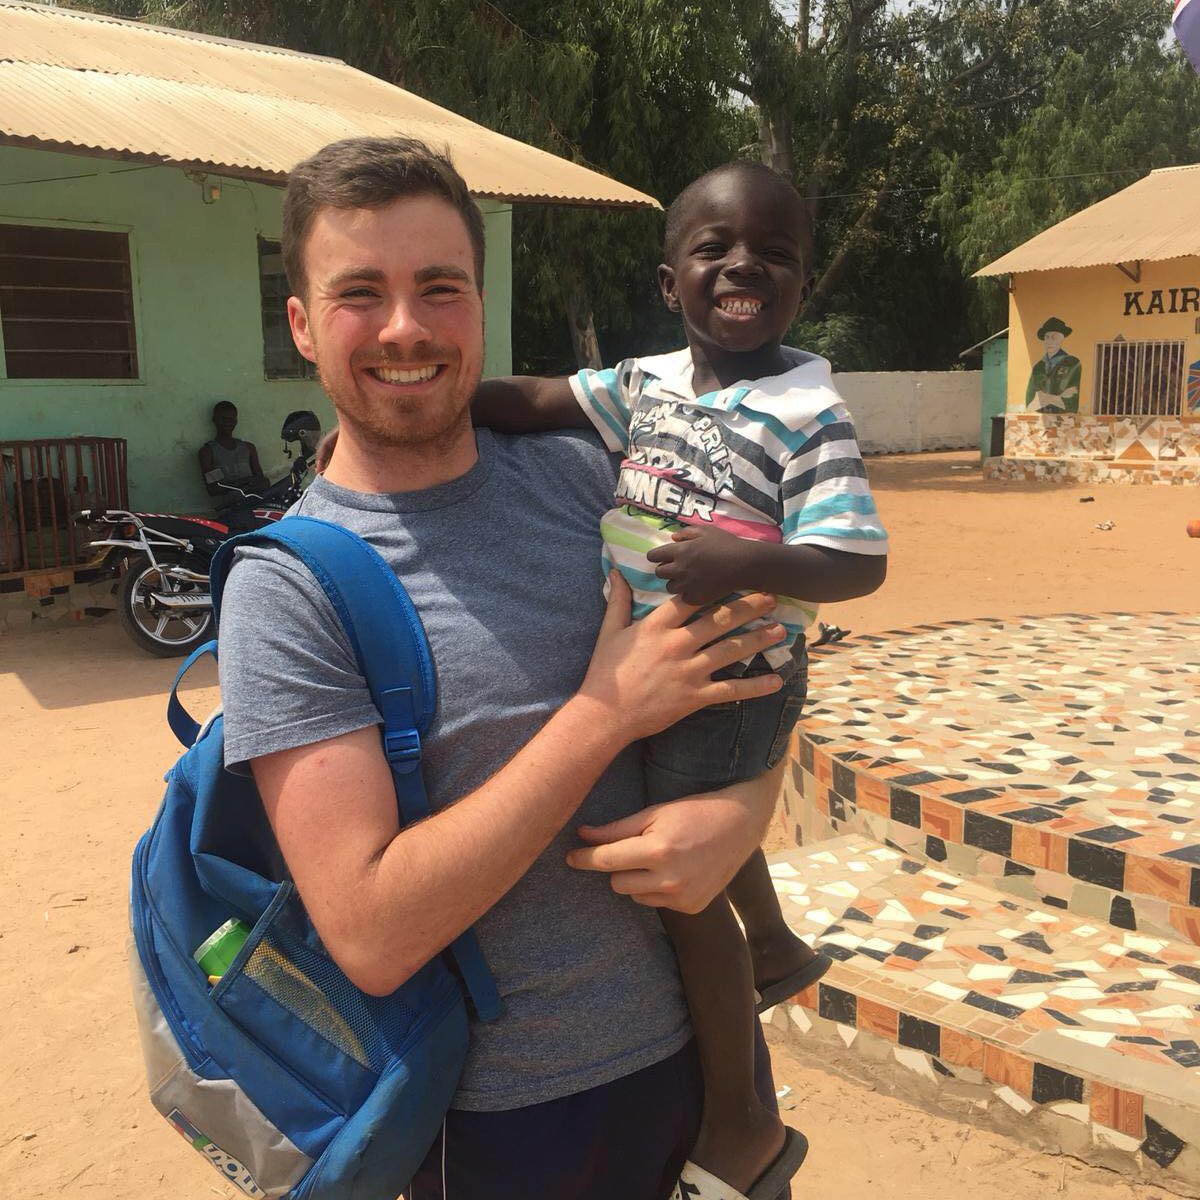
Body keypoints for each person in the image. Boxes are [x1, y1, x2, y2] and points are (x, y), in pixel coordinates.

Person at [216, 135, 795, 1200]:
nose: (406, 328)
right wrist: (604, 712)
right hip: (497, 1131)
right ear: (300, 323)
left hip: (704, 1075)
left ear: (480, 304)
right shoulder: (290, 589)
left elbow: (757, 658)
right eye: (360, 293)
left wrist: (744, 812)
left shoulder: (584, 475)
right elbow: (372, 931)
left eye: (441, 288)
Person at [470, 161, 888, 1199]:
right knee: (684, 818)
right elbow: (536, 399)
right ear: (671, 283)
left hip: (736, 672)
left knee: (682, 891)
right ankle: (782, 947)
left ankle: (745, 1122)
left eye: (775, 254)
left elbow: (859, 561)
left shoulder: (807, 413)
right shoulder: (644, 383)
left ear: (801, 286)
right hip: (667, 664)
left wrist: (744, 559)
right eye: (714, 248)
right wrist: (443, 401)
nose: (743, 265)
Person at [198, 400, 269, 509]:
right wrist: (246, 481)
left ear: (236, 421)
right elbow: (214, 488)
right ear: (215, 420)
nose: (228, 423)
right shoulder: (208, 452)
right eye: (224, 419)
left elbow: (261, 481)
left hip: (255, 503)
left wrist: (254, 482)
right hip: (231, 508)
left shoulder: (248, 448)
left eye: (231, 419)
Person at [1025, 317, 1081, 412]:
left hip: (1065, 420)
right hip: (1038, 420)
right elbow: (1029, 403)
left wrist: (1043, 397)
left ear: (1062, 338)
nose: (1049, 341)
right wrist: (1057, 398)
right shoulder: (1038, 367)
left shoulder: (1072, 363)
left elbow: (1071, 403)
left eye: (1054, 337)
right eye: (1047, 337)